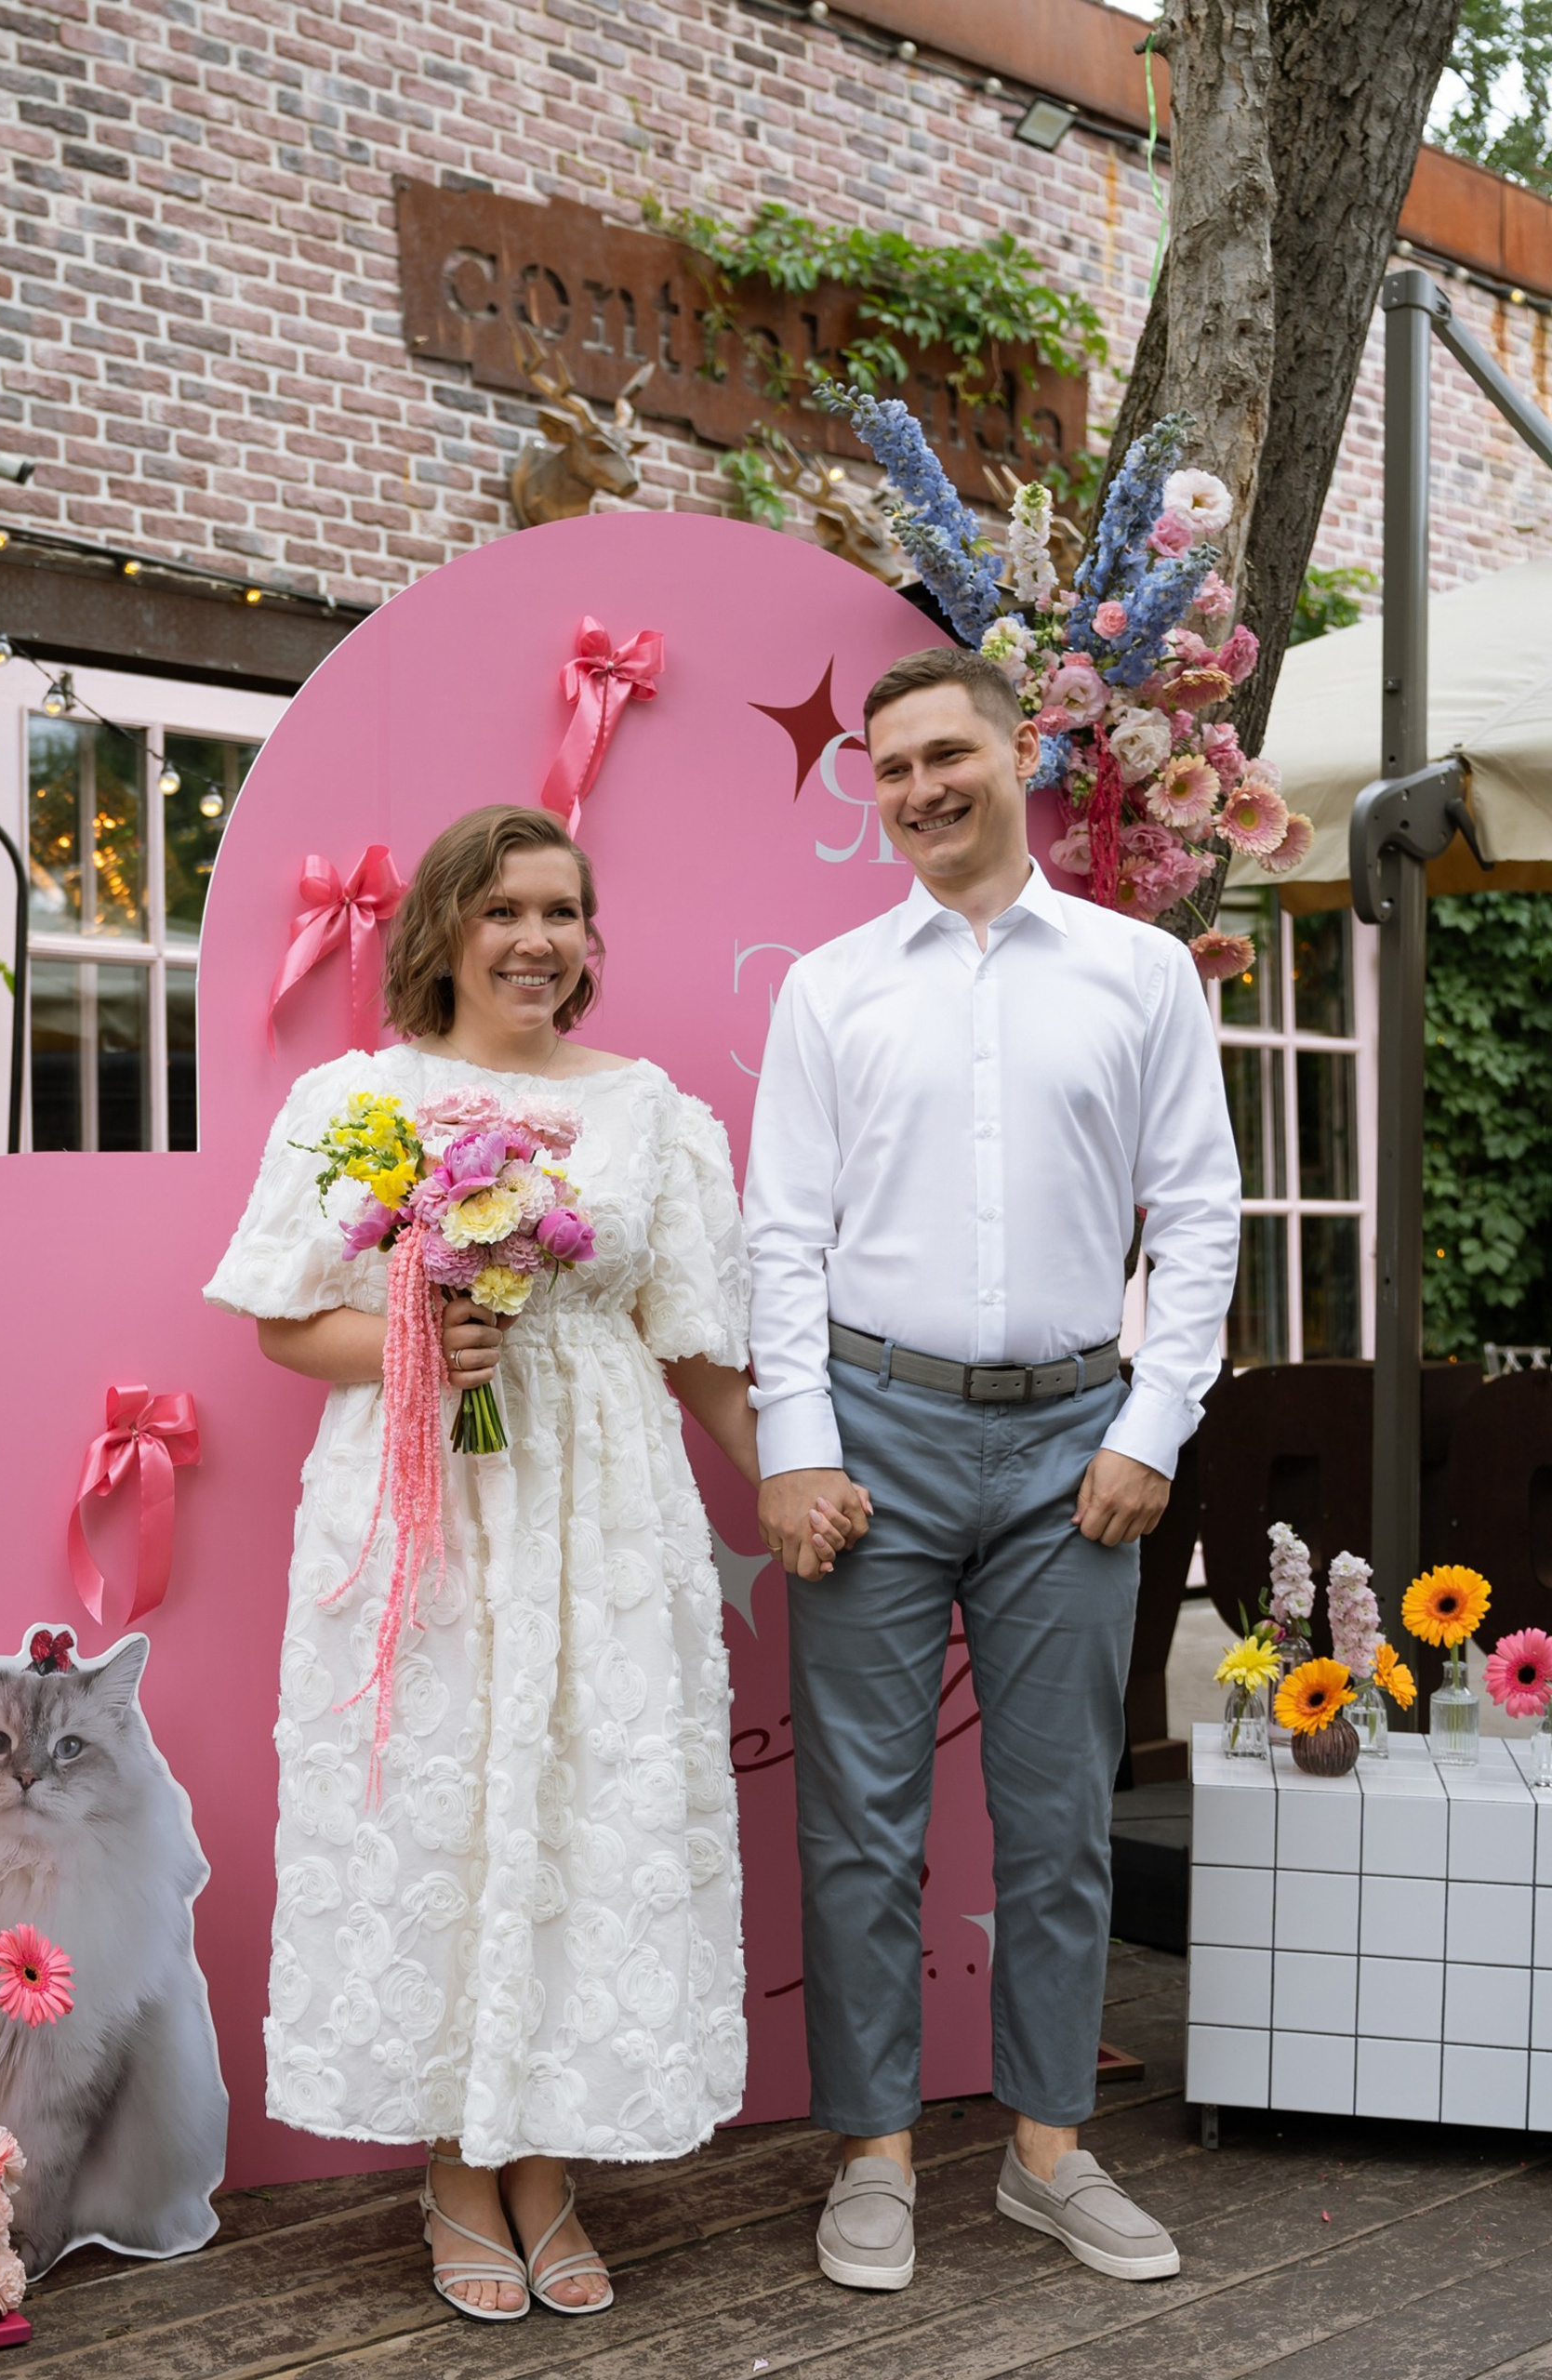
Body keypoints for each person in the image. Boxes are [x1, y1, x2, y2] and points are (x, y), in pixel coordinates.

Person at [206, 804, 845, 2321]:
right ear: (443, 930)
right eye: (504, 911)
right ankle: (452, 2166)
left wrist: (790, 1482)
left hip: (604, 1511)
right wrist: (419, 1331)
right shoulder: (359, 1099)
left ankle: (550, 2166)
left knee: (586, 1807)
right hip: (425, 1503)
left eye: (563, 913)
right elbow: (287, 1322)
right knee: (445, 1807)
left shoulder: (652, 1113)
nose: (537, 942)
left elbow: (690, 1343)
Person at [743, 647, 1238, 2293]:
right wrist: (795, 1447)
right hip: (871, 1436)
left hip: (1073, 1450)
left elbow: (1202, 1215)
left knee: (1058, 1825)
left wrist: (1148, 1428)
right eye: (890, 768)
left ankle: (1045, 2151)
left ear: (1020, 756)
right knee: (862, 1826)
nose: (920, 788)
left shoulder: (1140, 971)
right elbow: (781, 1240)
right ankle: (873, 2154)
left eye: (947, 753)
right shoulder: (829, 988)